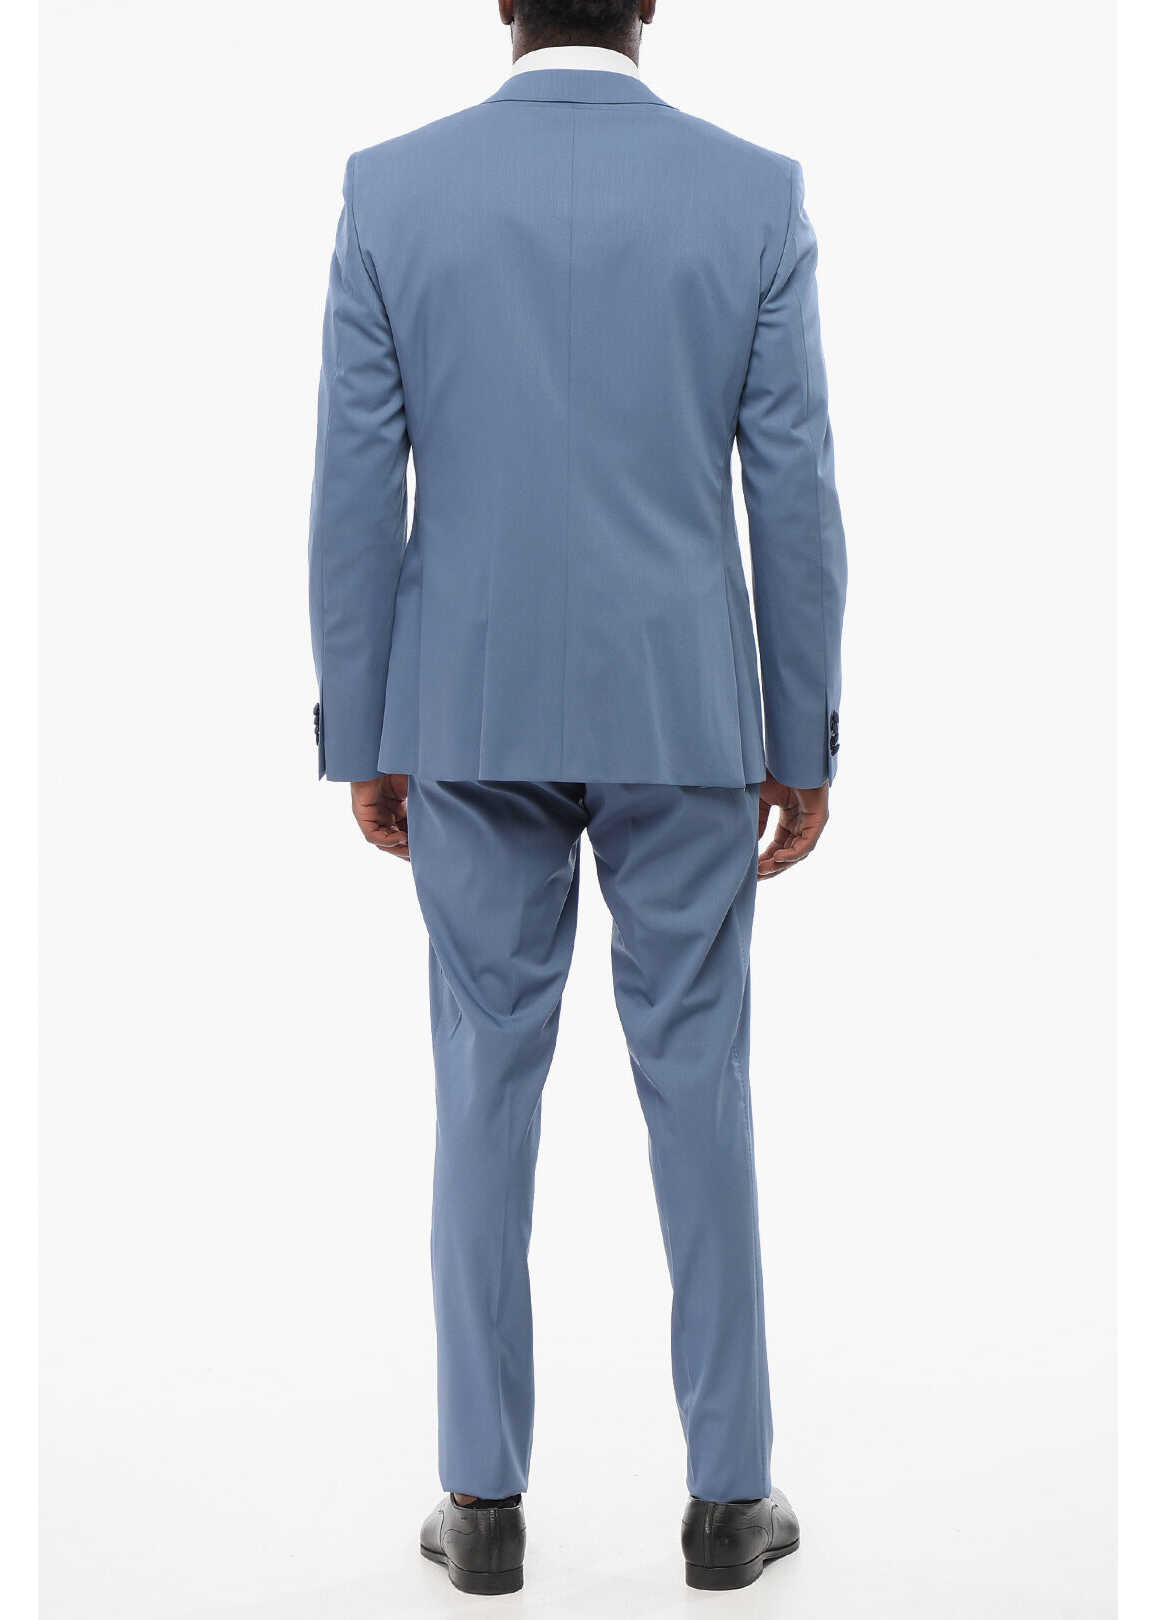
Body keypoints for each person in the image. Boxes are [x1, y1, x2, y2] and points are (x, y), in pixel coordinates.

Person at [308, 0, 846, 1595]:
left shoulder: (393, 189)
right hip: (683, 708)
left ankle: (480, 1506)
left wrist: (364, 729)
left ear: (502, 2)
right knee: (701, 1081)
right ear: (648, 2)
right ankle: (729, 1501)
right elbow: (793, 483)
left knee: (481, 1081)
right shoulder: (750, 191)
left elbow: (354, 479)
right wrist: (802, 737)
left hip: (466, 710)